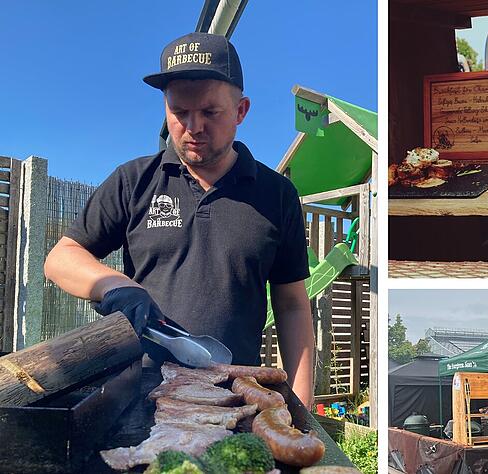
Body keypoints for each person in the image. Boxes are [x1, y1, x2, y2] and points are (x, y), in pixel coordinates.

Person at [43, 32, 316, 407]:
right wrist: (116, 286)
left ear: (240, 111)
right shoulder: (134, 181)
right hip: (138, 398)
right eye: (179, 112)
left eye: (210, 112)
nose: (193, 126)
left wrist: (301, 407)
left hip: (234, 398)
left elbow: (292, 305)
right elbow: (61, 258)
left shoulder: (277, 195)